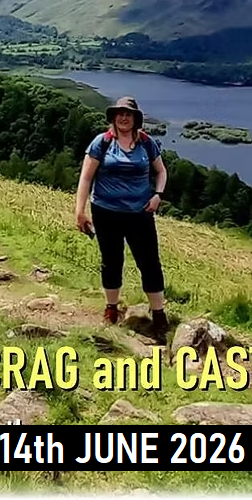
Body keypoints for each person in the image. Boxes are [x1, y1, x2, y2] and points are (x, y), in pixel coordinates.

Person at [74, 96, 170, 344]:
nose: (124, 118)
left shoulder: (146, 143)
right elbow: (86, 178)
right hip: (106, 212)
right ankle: (111, 308)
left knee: (149, 263)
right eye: (120, 114)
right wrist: (80, 211)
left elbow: (161, 171)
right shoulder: (102, 142)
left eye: (128, 114)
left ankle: (159, 315)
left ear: (136, 119)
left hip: (140, 213)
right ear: (114, 117)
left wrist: (158, 195)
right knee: (111, 261)